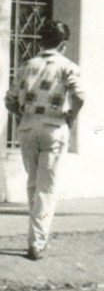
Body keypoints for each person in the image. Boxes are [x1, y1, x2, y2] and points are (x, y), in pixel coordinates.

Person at [4, 20, 85, 261]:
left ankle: (36, 236)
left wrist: (22, 116)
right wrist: (71, 117)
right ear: (63, 44)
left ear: (41, 41)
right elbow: (79, 96)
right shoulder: (67, 66)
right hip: (53, 127)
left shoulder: (27, 65)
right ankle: (37, 243)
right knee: (47, 188)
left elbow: (9, 100)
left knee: (33, 183)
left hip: (28, 128)